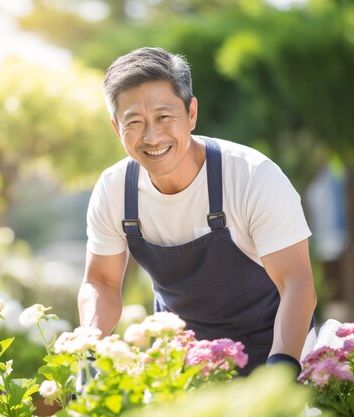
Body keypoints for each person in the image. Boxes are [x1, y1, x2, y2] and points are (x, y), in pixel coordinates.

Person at [77, 47, 317, 376]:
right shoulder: (114, 189)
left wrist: (282, 371)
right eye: (134, 122)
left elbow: (297, 284)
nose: (152, 136)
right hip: (185, 365)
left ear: (191, 113)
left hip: (275, 350)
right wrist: (87, 352)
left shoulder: (252, 176)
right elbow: (101, 282)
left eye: (164, 117)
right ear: (117, 128)